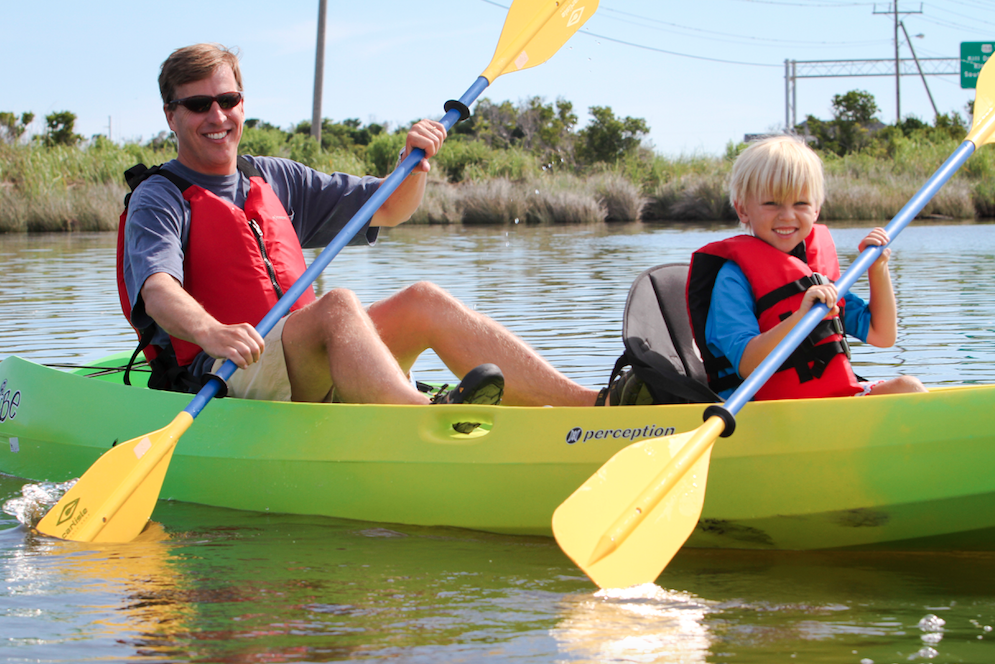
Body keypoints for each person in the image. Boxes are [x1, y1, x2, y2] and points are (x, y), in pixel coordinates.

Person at [119, 43, 599, 419]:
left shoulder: (273, 178)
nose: (218, 116)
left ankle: (593, 408)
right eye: (200, 104)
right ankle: (420, 420)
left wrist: (415, 166)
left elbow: (389, 209)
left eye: (228, 100)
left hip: (300, 359)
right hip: (224, 371)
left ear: (242, 104)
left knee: (422, 299)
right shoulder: (159, 197)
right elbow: (158, 289)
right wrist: (213, 332)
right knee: (339, 306)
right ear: (171, 115)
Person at [686, 135, 927, 401]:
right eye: (771, 203)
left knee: (909, 387)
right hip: (761, 410)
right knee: (909, 390)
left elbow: (882, 335)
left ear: (816, 210)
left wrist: (878, 268)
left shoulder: (814, 273)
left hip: (823, 402)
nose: (787, 215)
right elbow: (746, 364)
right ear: (743, 210)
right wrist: (801, 316)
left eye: (800, 203)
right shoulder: (733, 279)